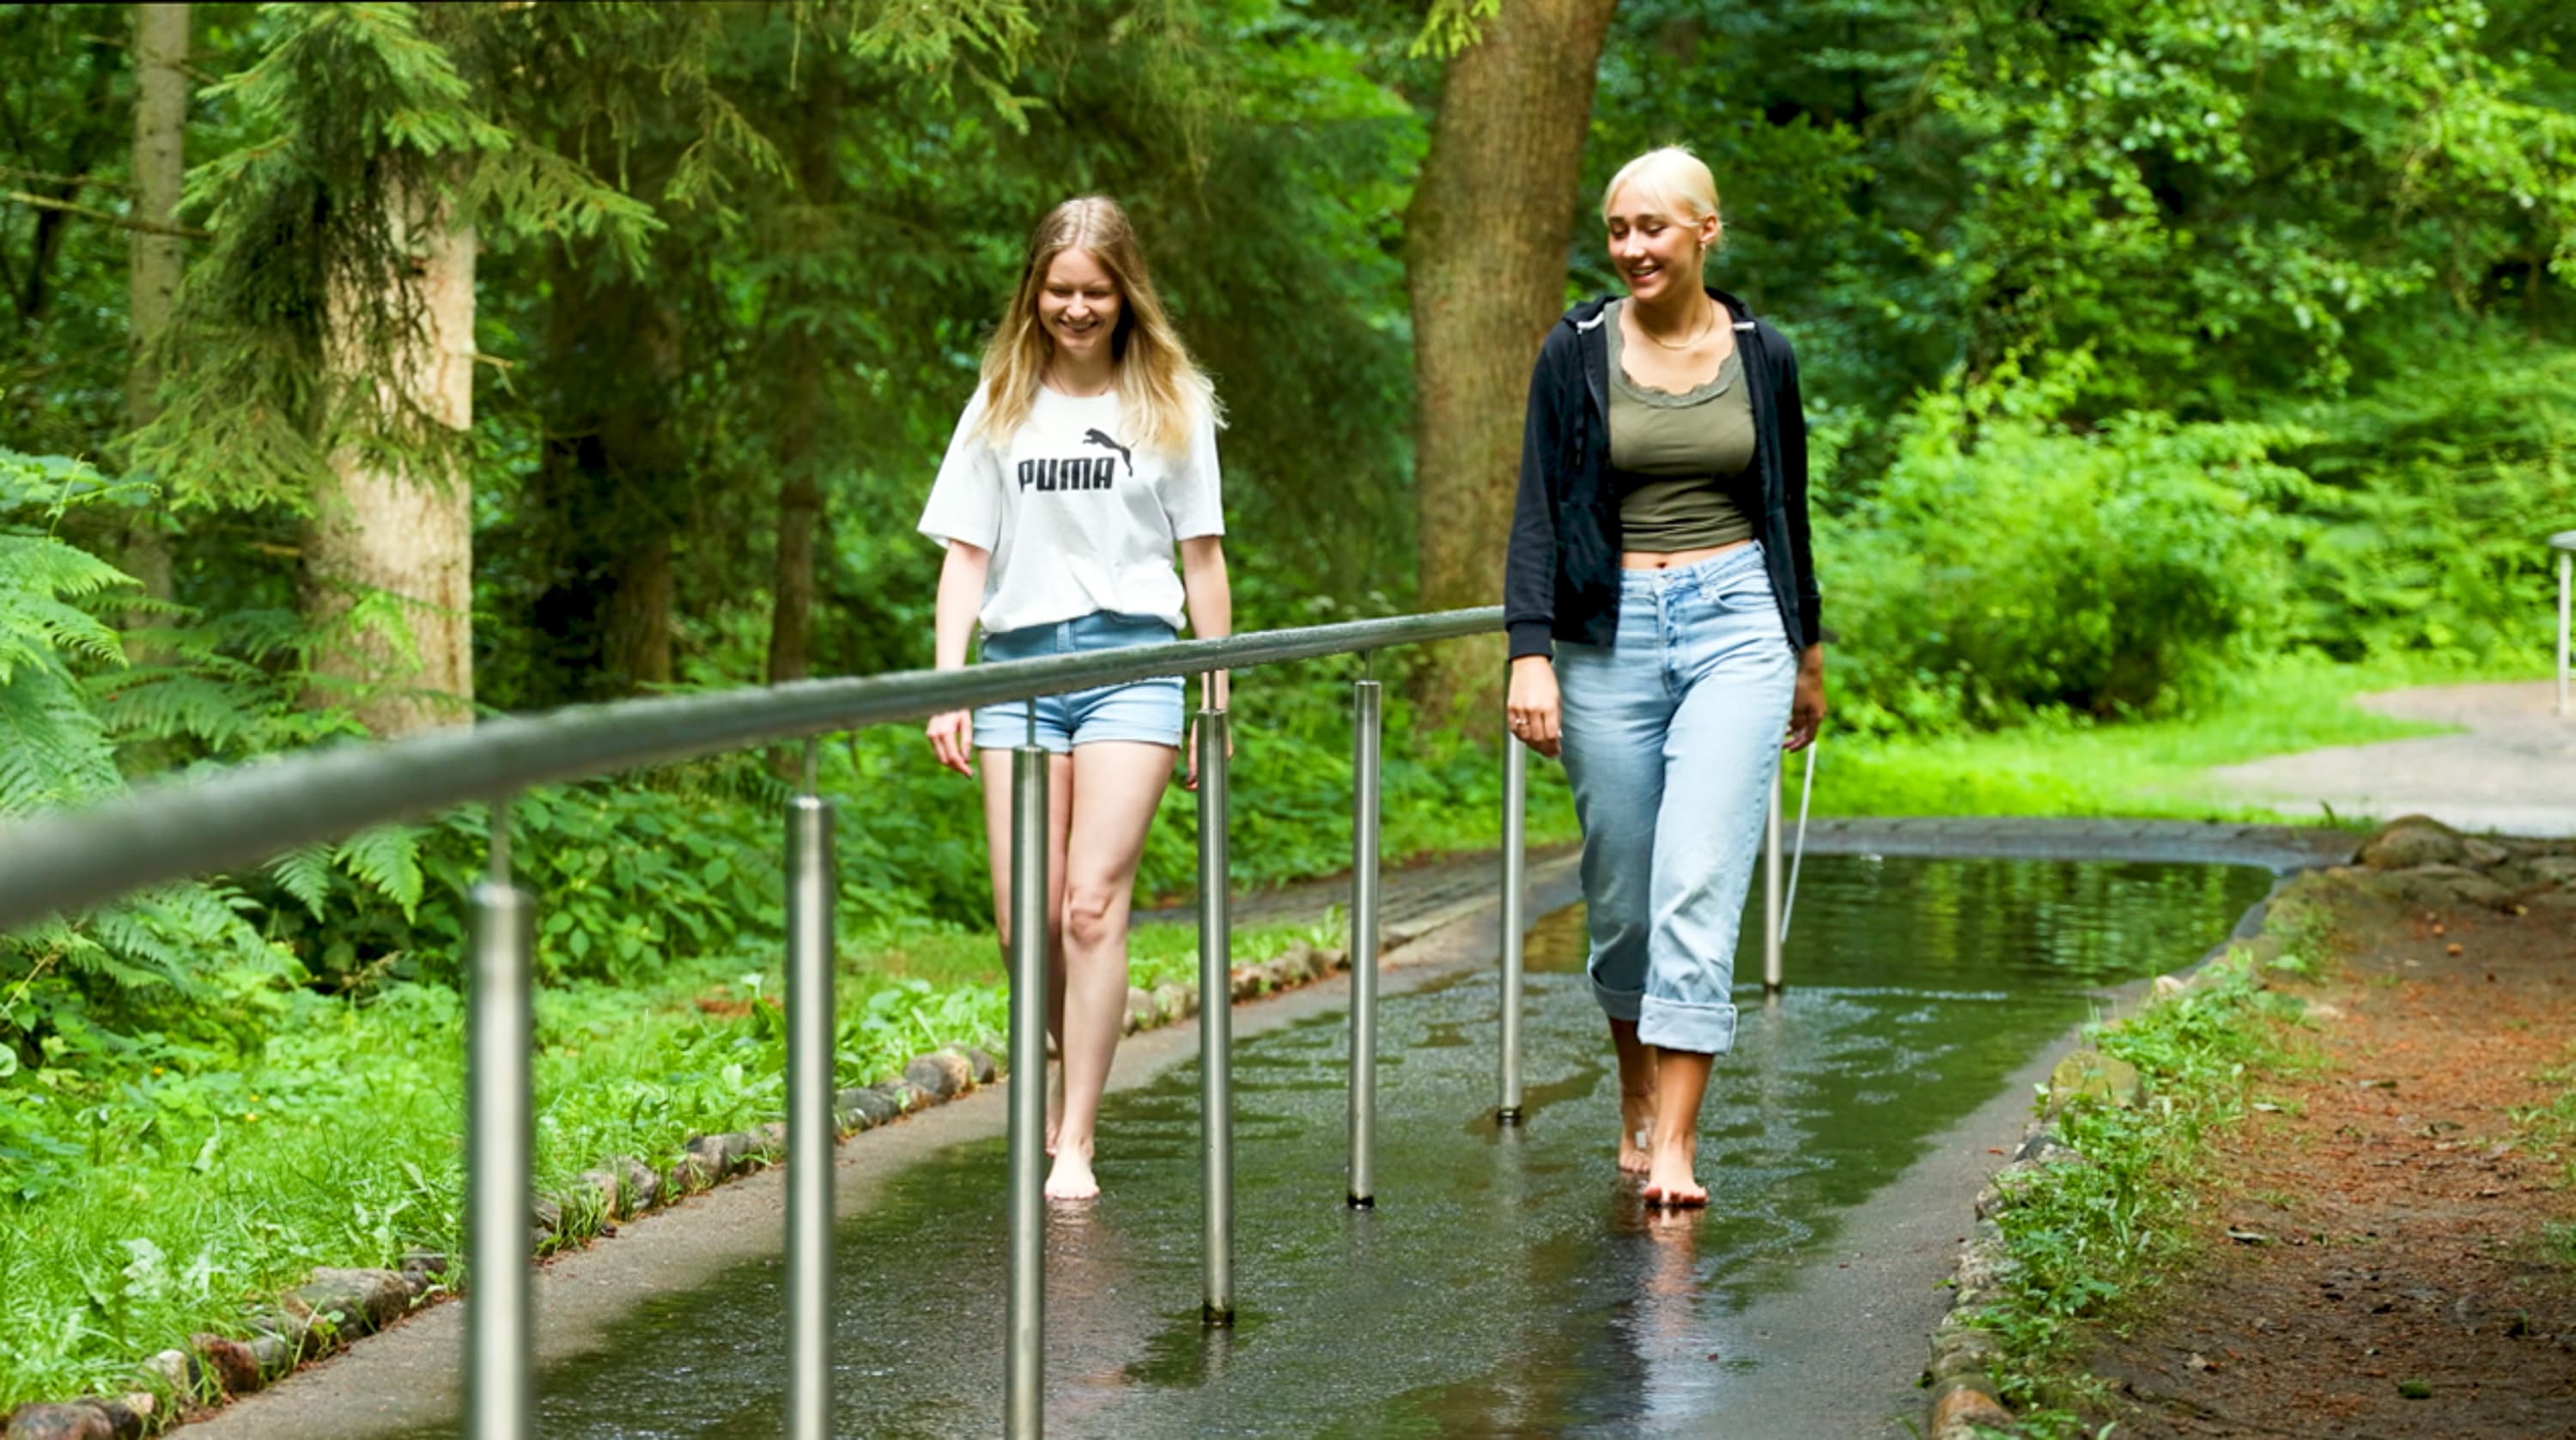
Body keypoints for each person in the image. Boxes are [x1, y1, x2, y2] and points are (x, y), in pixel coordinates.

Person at [1501, 146, 1826, 1207]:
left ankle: (1678, 1145)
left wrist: (1807, 653)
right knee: (1626, 894)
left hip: (1738, 622)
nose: (1632, 247)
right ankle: (1636, 1089)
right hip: (1609, 632)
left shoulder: (1763, 354)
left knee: (1697, 876)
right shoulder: (1576, 349)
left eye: (1652, 227)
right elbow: (1538, 508)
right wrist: (1529, 650)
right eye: (1618, 229)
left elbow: (1787, 511)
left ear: (1705, 231)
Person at [918, 196, 1231, 1202]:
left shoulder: (1170, 401)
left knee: (1091, 907)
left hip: (1132, 665)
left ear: (1126, 294)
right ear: (1035, 291)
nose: (1077, 309)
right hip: (1016, 670)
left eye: (1096, 292)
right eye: (1059, 291)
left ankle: (1077, 1136)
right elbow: (966, 557)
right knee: (1028, 923)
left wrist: (1214, 695)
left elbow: (1203, 559)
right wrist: (951, 685)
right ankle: (1069, 1064)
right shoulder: (1001, 399)